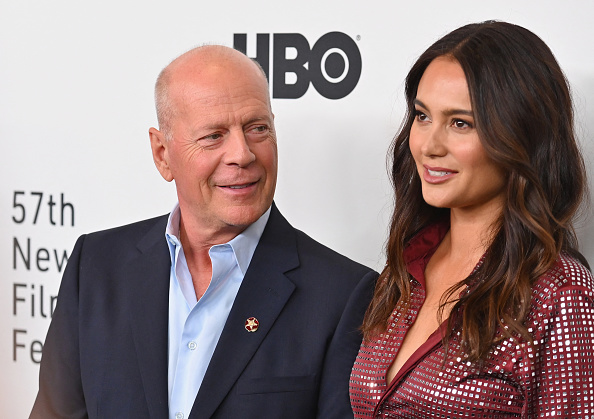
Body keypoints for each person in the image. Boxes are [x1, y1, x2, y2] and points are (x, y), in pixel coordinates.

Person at [30, 45, 377, 419]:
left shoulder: (344, 296)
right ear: (163, 154)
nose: (242, 154)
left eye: (257, 128)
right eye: (213, 136)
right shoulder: (96, 266)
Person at [350, 21, 594, 418]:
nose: (429, 145)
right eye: (423, 116)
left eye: (460, 123)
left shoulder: (559, 295)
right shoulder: (406, 269)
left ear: (521, 135)